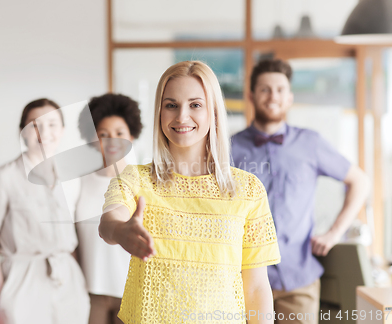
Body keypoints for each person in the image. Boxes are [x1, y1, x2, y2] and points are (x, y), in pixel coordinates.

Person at [99, 61, 281, 324]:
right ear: (159, 112)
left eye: (195, 105)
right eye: (171, 105)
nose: (182, 116)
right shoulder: (136, 179)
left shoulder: (248, 190)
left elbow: (255, 288)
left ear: (214, 113)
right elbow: (108, 222)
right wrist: (120, 231)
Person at [231, 59, 370, 324]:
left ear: (290, 97)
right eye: (265, 89)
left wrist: (334, 233)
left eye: (280, 90)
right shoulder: (229, 148)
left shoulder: (310, 143)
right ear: (251, 95)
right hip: (243, 279)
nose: (274, 97)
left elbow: (360, 181)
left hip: (299, 280)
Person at [0, 98, 89, 324]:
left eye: (52, 124)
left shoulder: (72, 177)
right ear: (22, 132)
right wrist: (2, 291)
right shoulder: (4, 176)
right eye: (34, 124)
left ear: (62, 130)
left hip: (66, 279)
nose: (44, 132)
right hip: (22, 279)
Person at [76, 94, 143, 324]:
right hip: (90, 292)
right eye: (103, 134)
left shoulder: (143, 182)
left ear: (132, 135)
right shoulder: (80, 183)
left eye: (119, 133)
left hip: (133, 291)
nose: (112, 141)